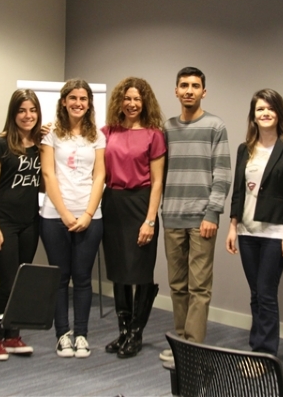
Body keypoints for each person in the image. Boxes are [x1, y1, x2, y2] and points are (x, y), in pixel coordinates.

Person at [159, 67, 231, 362]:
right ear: (176, 91)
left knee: (198, 287)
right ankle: (181, 343)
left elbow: (222, 174)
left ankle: (193, 348)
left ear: (204, 91)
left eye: (195, 85)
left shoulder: (215, 126)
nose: (189, 90)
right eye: (184, 85)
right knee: (177, 286)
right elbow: (159, 173)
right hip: (172, 216)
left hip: (202, 219)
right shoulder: (167, 128)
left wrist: (212, 213)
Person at [225, 89, 283, 356]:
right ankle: (256, 348)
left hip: (275, 233)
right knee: (256, 294)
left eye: (270, 108)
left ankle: (265, 354)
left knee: (267, 294)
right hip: (247, 231)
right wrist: (233, 226)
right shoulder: (244, 149)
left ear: (279, 113)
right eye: (260, 109)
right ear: (253, 115)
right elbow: (238, 191)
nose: (265, 113)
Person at [40, 79, 106, 359]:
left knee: (82, 278)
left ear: (89, 103)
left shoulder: (97, 136)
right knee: (59, 278)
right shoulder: (51, 134)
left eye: (83, 99)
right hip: (55, 216)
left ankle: (81, 334)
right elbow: (48, 174)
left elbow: (100, 175)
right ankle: (62, 335)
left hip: (90, 216)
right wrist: (66, 214)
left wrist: (88, 213)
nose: (78, 103)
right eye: (73, 98)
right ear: (64, 101)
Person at [101, 77, 165, 359]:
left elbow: (158, 181)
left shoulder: (154, 135)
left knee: (140, 271)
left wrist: (150, 220)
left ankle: (136, 333)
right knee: (119, 271)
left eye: (137, 99)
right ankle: (123, 331)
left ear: (145, 102)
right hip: (113, 204)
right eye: (127, 98)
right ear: (120, 101)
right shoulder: (107, 132)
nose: (132, 103)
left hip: (141, 204)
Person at [0, 89, 43, 361]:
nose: (27, 115)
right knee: (7, 282)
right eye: (22, 110)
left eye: (32, 110)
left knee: (21, 282)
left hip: (30, 221)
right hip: (3, 221)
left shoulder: (40, 145)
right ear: (13, 113)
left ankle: (13, 335)